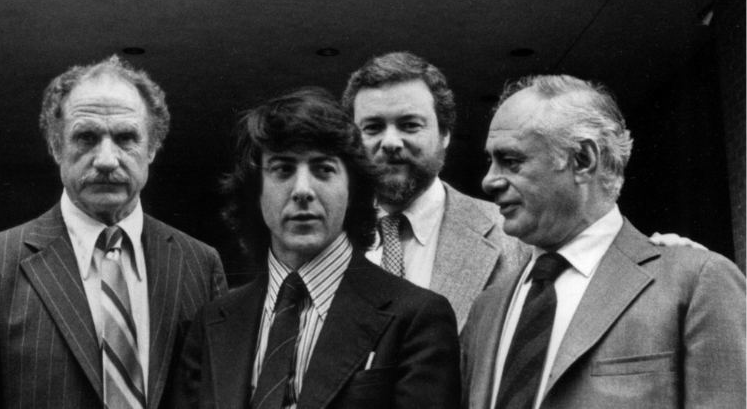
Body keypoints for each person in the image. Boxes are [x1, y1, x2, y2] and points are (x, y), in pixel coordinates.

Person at [0, 56, 228, 409]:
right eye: (86, 137)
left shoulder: (199, 264)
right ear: (56, 147)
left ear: (152, 148)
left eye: (126, 137)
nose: (106, 158)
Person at [461, 75, 746, 409]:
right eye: (490, 162)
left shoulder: (697, 283)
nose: (488, 181)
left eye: (511, 161)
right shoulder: (487, 307)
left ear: (583, 160)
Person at [173, 87, 460, 409]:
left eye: (324, 169)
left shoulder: (417, 318)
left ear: (353, 189)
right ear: (256, 191)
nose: (302, 191)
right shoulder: (213, 321)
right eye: (283, 169)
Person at [343, 52, 529, 328]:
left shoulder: (513, 238)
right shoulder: (328, 236)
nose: (391, 142)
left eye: (409, 125)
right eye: (373, 127)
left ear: (445, 134)